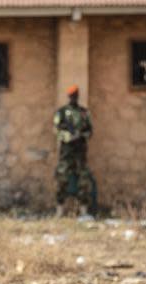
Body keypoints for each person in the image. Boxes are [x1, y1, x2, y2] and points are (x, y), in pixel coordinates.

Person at [53, 84, 97, 218]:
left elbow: (90, 131)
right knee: (61, 180)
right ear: (69, 97)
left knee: (83, 182)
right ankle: (59, 210)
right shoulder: (61, 112)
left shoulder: (84, 113)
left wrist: (81, 135)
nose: (74, 98)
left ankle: (83, 210)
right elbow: (56, 130)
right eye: (72, 96)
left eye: (76, 96)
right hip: (66, 152)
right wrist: (68, 136)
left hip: (80, 152)